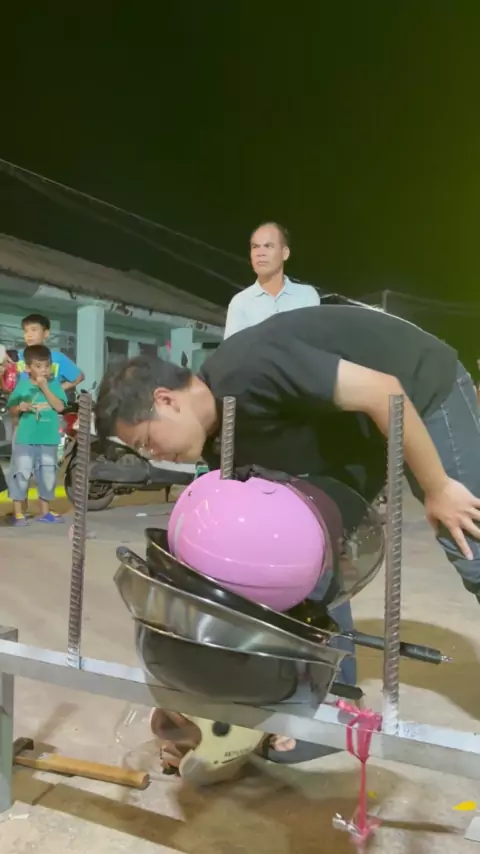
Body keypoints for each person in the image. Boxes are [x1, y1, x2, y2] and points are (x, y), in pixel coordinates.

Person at [95, 304, 480, 761]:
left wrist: (437, 488)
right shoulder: (223, 440)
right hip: (353, 433)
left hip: (418, 388)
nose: (154, 455)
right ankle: (334, 706)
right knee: (304, 558)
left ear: (166, 400)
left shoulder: (254, 367)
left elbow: (385, 392)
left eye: (146, 441)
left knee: (467, 538)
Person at [224, 222, 320, 338]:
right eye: (255, 247)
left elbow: (315, 342)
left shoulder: (306, 296)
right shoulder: (240, 303)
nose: (260, 253)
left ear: (285, 253)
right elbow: (233, 348)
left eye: (268, 246)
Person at [7, 344, 67, 526]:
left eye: (47, 366)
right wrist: (20, 407)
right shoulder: (22, 386)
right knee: (21, 473)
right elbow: (12, 408)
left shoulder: (54, 385)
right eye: (38, 366)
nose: (44, 370)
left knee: (48, 474)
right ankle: (18, 513)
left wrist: (44, 387)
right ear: (28, 368)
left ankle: (44, 511)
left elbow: (60, 407)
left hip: (48, 438)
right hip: (25, 437)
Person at [18, 313, 85, 391]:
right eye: (26, 331)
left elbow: (79, 377)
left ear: (46, 333)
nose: (29, 335)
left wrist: (57, 391)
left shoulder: (57, 358)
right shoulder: (17, 356)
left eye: (34, 330)